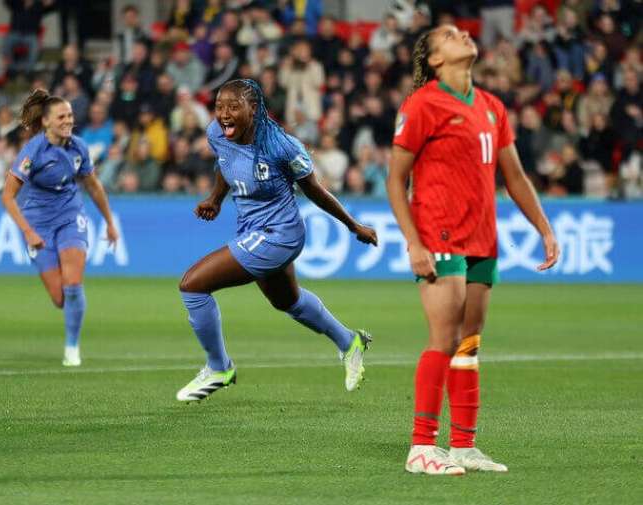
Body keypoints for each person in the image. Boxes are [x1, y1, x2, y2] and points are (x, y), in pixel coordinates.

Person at [386, 26, 560, 475]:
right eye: (449, 35)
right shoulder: (423, 103)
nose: (463, 34)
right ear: (436, 59)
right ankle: (421, 447)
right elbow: (394, 180)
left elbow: (515, 177)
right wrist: (414, 242)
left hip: (483, 237)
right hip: (439, 235)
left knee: (468, 343)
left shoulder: (491, 106)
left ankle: (462, 446)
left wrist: (543, 227)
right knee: (443, 339)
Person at [175, 79, 378, 402]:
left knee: (192, 285)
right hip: (251, 230)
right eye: (219, 107)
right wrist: (215, 198)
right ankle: (349, 341)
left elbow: (315, 190)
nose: (224, 114)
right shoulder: (216, 133)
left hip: (279, 235)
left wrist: (354, 225)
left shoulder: (282, 146)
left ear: (253, 109)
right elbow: (224, 163)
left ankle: (219, 367)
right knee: (287, 301)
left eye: (233, 107)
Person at [1, 88, 119, 367]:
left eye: (70, 115)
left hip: (70, 214)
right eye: (61, 116)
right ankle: (71, 321)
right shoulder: (33, 151)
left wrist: (110, 222)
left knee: (74, 283)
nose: (68, 120)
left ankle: (72, 348)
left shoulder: (78, 146)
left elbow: (93, 186)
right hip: (37, 223)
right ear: (46, 121)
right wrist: (28, 231)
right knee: (59, 297)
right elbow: (7, 195)